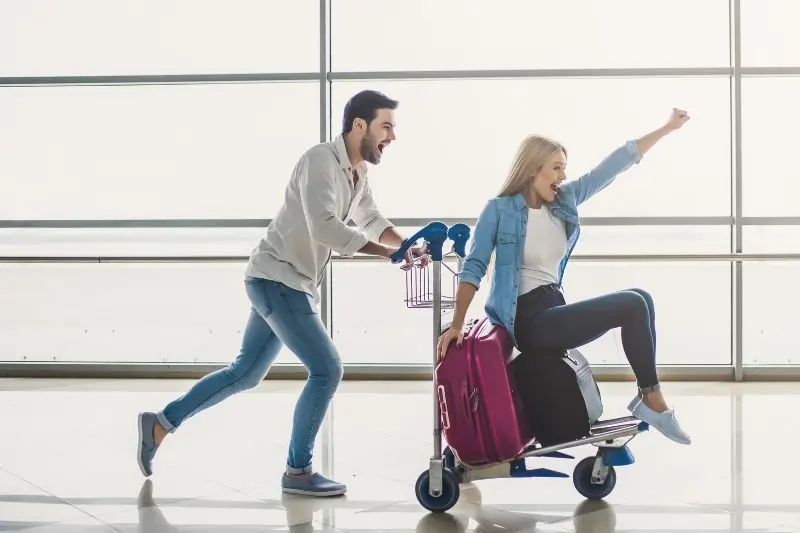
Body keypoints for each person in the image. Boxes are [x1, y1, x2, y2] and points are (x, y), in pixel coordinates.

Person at [137, 90, 428, 496]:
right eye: (387, 126)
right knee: (327, 369)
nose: (393, 137)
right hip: (279, 279)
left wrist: (406, 246)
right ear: (359, 125)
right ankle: (298, 472)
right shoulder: (320, 161)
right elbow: (325, 227)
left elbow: (372, 219)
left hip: (284, 281)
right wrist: (389, 255)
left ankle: (160, 423)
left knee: (244, 373)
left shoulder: (358, 174)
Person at [436, 108, 692, 445]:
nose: (562, 175)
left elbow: (613, 165)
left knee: (640, 298)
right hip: (528, 320)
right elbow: (474, 267)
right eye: (556, 168)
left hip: (552, 307)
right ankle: (652, 399)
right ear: (533, 170)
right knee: (631, 304)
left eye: (564, 168)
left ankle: (649, 397)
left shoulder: (563, 201)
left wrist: (667, 129)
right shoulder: (499, 210)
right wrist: (456, 324)